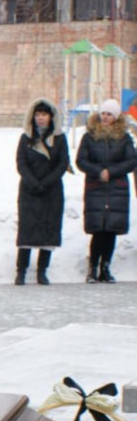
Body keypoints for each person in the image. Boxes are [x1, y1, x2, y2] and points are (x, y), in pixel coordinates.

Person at [76, 98, 137, 283]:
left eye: (109, 114)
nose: (105, 117)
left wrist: (111, 172)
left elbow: (131, 161)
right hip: (96, 187)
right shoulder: (89, 136)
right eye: (103, 113)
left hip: (116, 188)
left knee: (111, 229)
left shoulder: (124, 138)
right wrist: (98, 172)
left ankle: (106, 267)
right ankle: (93, 267)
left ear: (116, 117)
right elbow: (81, 160)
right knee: (98, 229)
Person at [14, 98, 69, 286]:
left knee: (48, 231)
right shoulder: (26, 138)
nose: (40, 119)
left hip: (51, 191)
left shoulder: (59, 139)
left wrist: (46, 182)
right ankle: (21, 271)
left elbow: (63, 163)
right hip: (30, 190)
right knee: (27, 231)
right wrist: (33, 182)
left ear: (51, 117)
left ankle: (42, 271)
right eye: (37, 115)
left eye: (44, 115)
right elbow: (21, 162)